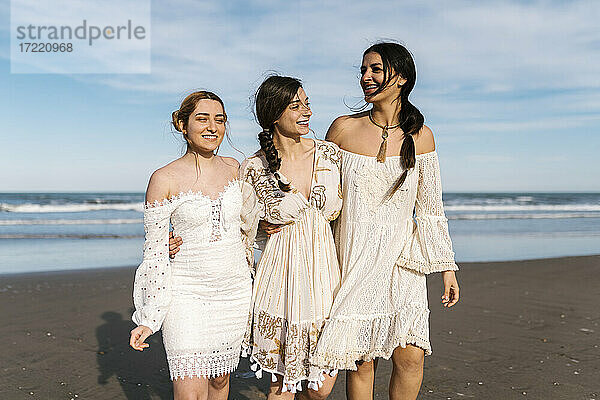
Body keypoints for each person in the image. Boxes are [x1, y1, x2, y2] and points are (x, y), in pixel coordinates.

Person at [170, 75, 343, 399]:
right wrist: (175, 238)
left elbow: (351, 214)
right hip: (278, 280)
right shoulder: (252, 167)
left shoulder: (331, 154)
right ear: (274, 114)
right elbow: (236, 229)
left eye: (306, 103)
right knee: (281, 384)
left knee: (321, 389)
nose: (306, 111)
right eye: (295, 105)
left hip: (325, 277)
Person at [310, 42, 460, 400]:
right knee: (362, 359)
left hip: (402, 261)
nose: (366, 77)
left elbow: (429, 208)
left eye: (376, 69)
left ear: (402, 78)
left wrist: (446, 267)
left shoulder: (421, 136)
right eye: (363, 70)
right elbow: (320, 195)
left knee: (411, 356)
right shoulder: (342, 129)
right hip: (354, 255)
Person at [129, 91, 258, 400]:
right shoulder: (164, 178)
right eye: (202, 118)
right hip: (186, 293)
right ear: (183, 125)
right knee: (190, 392)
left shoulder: (235, 167)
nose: (212, 127)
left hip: (235, 292)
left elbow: (250, 226)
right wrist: (149, 317)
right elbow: (155, 253)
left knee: (219, 384)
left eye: (220, 119)